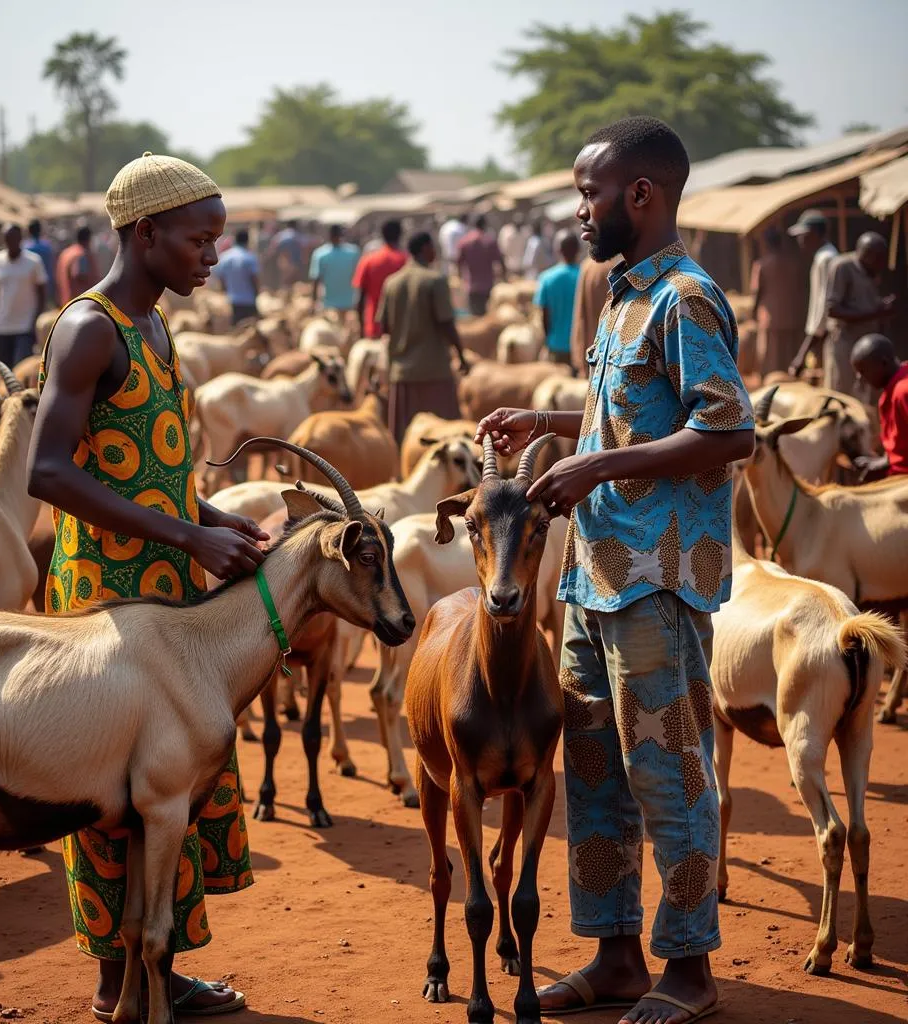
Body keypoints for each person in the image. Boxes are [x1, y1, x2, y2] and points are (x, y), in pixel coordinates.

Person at [477, 116, 754, 1024]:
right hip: (594, 580)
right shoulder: (622, 295)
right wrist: (550, 423)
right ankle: (617, 955)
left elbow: (728, 428)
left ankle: (691, 971)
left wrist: (591, 468)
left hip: (656, 581)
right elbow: (630, 421)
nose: (580, 211)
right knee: (594, 775)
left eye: (589, 193)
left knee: (668, 774)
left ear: (642, 195)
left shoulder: (686, 297)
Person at [27, 152, 267, 1021]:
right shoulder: (90, 328)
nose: (213, 255)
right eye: (201, 240)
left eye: (218, 240)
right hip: (105, 597)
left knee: (167, 779)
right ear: (145, 233)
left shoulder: (158, 329)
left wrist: (206, 514)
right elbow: (48, 473)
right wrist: (185, 531)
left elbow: (140, 466)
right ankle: (112, 981)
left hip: (166, 585)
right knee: (106, 788)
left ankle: (157, 971)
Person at [376, 231, 468, 445]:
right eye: (433, 247)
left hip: (402, 374)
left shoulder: (392, 283)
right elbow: (446, 322)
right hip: (433, 371)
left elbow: (385, 326)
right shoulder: (435, 280)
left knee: (405, 439)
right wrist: (461, 354)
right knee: (446, 437)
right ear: (425, 248)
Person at [820, 232, 894, 400]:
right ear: (867, 255)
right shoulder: (842, 267)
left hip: (867, 343)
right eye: (879, 258)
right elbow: (833, 310)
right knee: (844, 394)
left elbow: (861, 302)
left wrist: (882, 305)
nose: (883, 263)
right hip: (846, 342)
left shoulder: (871, 272)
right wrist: (876, 313)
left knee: (867, 395)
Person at [0, 223, 48, 367]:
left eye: (13, 238)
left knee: (21, 371)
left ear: (20, 239)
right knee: (5, 373)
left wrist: (36, 324)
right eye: (7, 239)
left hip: (25, 328)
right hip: (1, 327)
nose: (10, 242)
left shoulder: (33, 262)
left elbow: (42, 295)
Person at [787, 209, 839, 377]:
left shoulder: (825, 259)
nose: (800, 240)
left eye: (803, 235)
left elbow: (822, 308)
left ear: (815, 234)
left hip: (832, 334)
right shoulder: (825, 256)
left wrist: (802, 354)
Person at [850, 333, 908, 480]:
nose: (860, 378)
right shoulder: (891, 390)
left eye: (863, 371)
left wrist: (889, 464)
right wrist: (884, 461)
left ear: (883, 363)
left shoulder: (902, 391)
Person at [749, 227, 805, 377]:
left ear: (766, 244)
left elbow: (757, 292)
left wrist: (753, 312)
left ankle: (770, 381)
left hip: (770, 316)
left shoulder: (762, 265)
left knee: (771, 355)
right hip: (791, 314)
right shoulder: (793, 263)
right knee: (789, 352)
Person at [352, 219, 407, 339]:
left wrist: (361, 328)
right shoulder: (407, 262)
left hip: (374, 326)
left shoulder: (368, 260)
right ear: (400, 235)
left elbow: (360, 298)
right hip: (402, 329)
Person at [535, 232, 581, 366]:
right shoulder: (585, 276)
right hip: (582, 346)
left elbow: (544, 316)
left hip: (556, 346)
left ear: (558, 250)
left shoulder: (547, 278)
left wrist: (547, 340)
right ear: (578, 250)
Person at [569, 256, 615, 376]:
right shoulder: (616, 267)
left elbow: (580, 316)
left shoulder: (588, 265)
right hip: (608, 363)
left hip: (590, 357)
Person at [457, 214, 504, 316]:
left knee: (475, 318)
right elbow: (500, 261)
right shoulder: (489, 241)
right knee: (488, 318)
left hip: (471, 286)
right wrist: (504, 277)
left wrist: (460, 278)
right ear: (485, 224)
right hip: (488, 286)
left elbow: (459, 262)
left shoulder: (465, 242)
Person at [212, 227, 261, 324]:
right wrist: (257, 293)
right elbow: (254, 279)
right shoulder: (250, 258)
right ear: (247, 241)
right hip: (248, 301)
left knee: (235, 333)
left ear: (234, 240)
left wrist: (225, 289)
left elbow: (219, 276)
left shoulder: (224, 257)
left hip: (231, 302)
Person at [309, 225, 360, 315]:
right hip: (349, 303)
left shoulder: (320, 254)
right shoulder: (353, 252)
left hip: (329, 304)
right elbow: (359, 277)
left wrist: (313, 303)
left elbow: (315, 280)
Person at [55, 224, 101, 307]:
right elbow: (79, 274)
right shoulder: (81, 254)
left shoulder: (66, 253)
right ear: (89, 238)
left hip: (67, 304)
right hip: (79, 305)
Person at [25, 218, 57, 305]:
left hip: (29, 288)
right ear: (40, 230)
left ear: (29, 231)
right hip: (47, 287)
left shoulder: (25, 247)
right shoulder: (47, 247)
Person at [267, 220, 304, 287]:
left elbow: (272, 248)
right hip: (294, 262)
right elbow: (304, 246)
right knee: (293, 281)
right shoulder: (297, 235)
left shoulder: (280, 235)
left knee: (284, 280)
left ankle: (284, 294)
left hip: (283, 261)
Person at [438, 213, 468, 277]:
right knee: (455, 269)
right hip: (455, 253)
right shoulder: (461, 227)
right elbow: (463, 243)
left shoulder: (449, 225)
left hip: (446, 251)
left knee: (448, 268)